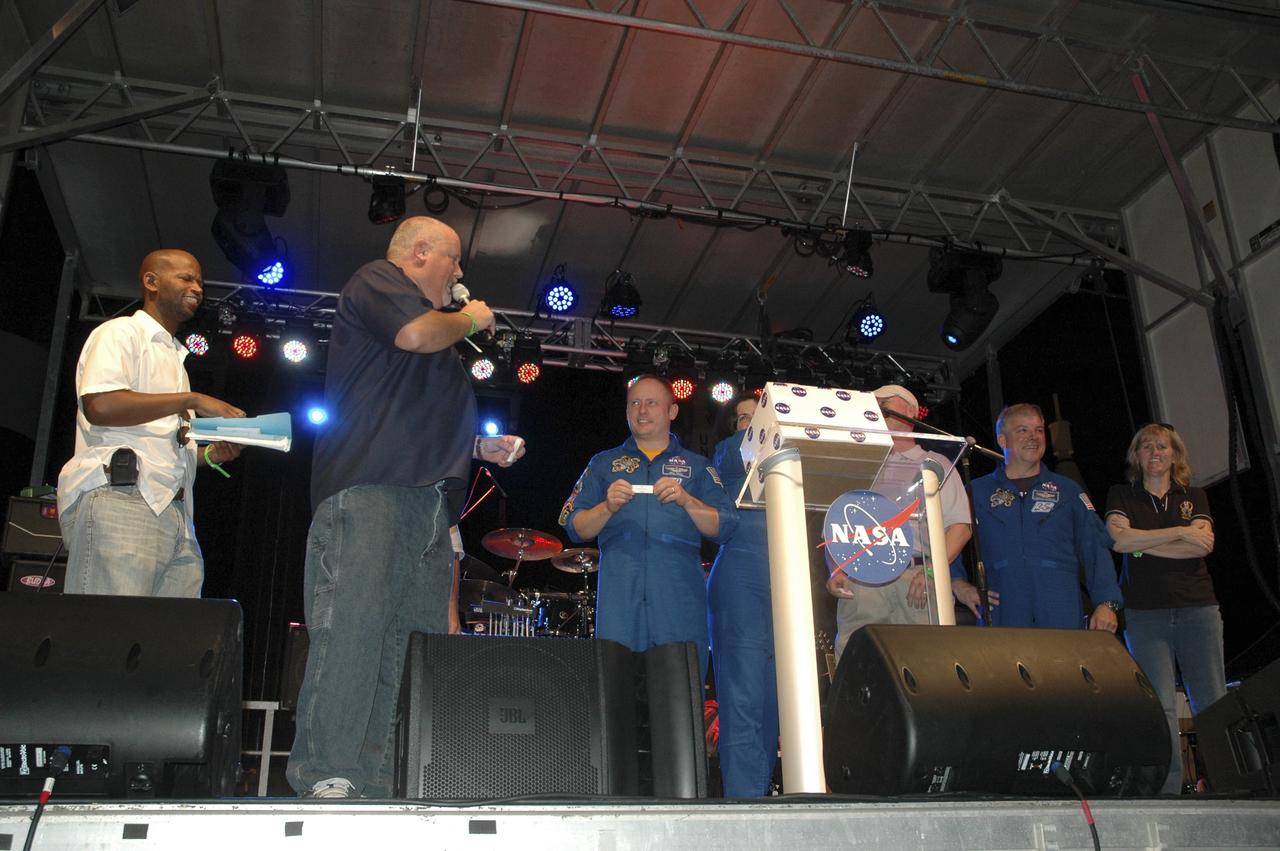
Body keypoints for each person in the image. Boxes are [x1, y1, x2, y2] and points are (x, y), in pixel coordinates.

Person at [286, 217, 525, 799]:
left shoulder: (436, 343)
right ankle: (326, 773)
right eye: (455, 260)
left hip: (430, 505)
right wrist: (474, 316)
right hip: (373, 491)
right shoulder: (378, 280)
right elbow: (416, 335)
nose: (461, 273)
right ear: (420, 253)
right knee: (355, 630)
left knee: (404, 644)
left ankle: (370, 779)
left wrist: (476, 447)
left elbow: (411, 411)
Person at [57, 249, 244, 597]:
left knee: (162, 646)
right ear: (151, 282)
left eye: (200, 282)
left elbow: (160, 443)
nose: (198, 288)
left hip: (177, 517)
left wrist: (209, 456)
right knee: (110, 635)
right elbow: (101, 405)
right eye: (187, 278)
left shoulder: (176, 358)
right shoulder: (120, 333)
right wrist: (193, 400)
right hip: (122, 499)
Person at [559, 375, 736, 681]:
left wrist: (686, 500)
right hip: (619, 599)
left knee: (681, 694)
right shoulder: (603, 463)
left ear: (672, 411)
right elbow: (574, 526)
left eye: (652, 402)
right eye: (634, 403)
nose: (642, 410)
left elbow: (725, 527)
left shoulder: (697, 466)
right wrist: (607, 506)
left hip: (679, 598)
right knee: (617, 696)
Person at [1105, 423, 1222, 794]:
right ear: (1136, 456)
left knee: (1212, 701)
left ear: (1175, 454)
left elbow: (1202, 546)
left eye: (1163, 447)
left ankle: (1225, 780)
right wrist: (1179, 532)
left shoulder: (1195, 496)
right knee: (1159, 706)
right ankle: (1167, 788)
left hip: (1198, 609)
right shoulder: (1122, 494)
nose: (1155, 453)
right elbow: (1120, 541)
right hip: (1144, 613)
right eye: (1146, 447)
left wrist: (1144, 543)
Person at [826, 385, 974, 662]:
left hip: (918, 580)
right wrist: (837, 570)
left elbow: (961, 526)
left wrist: (932, 571)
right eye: (874, 404)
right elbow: (839, 524)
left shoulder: (937, 464)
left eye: (884, 404)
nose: (876, 409)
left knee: (929, 668)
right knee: (861, 669)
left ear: (910, 411)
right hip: (863, 582)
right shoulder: (859, 466)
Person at [969, 403, 1121, 630]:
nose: (1034, 437)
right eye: (1022, 430)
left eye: (1039, 430)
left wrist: (1107, 602)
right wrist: (957, 583)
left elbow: (1095, 547)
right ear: (1002, 440)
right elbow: (946, 538)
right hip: (1002, 611)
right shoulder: (976, 491)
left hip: (1060, 609)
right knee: (1002, 667)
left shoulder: (1067, 491)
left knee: (1062, 667)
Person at [707, 395, 778, 797]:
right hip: (741, 575)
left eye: (758, 417)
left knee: (776, 701)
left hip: (785, 577)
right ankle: (745, 803)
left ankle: (761, 794)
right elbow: (749, 449)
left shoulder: (789, 459)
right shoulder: (728, 454)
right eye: (742, 419)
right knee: (744, 696)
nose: (749, 425)